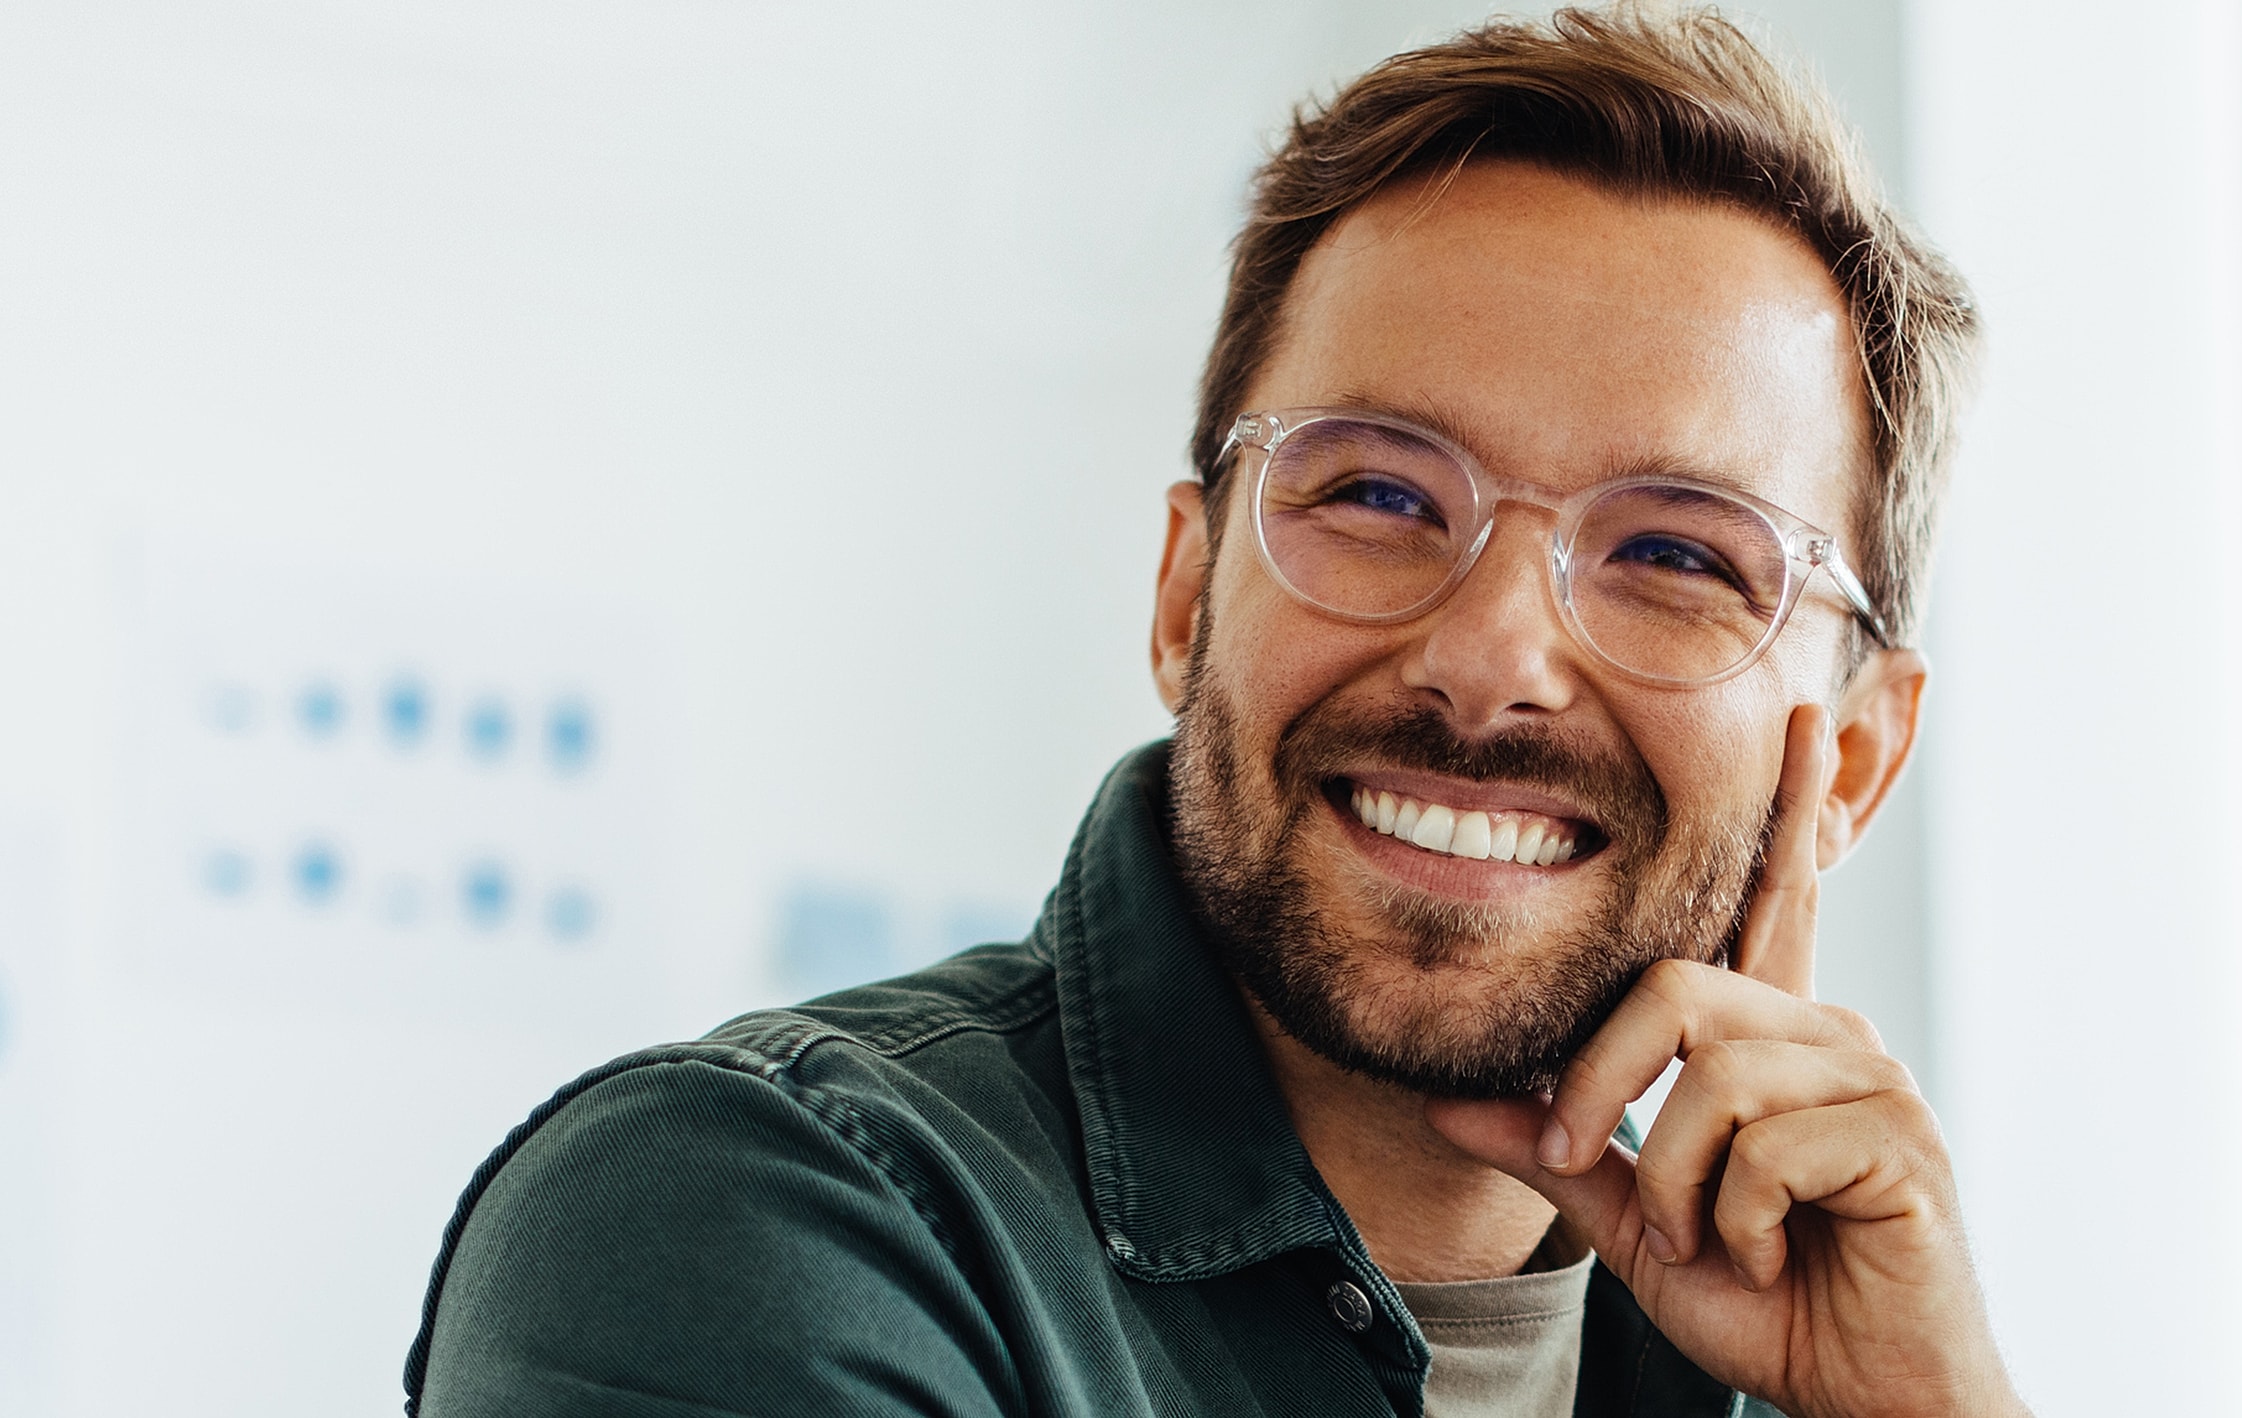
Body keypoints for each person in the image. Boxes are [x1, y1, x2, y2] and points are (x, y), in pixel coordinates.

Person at [405, 7, 2021, 1416]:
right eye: (1379, 492)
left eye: (1678, 554)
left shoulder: (1820, 1354)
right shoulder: (752, 1215)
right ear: (1188, 596)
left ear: (1857, 759)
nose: (1492, 655)